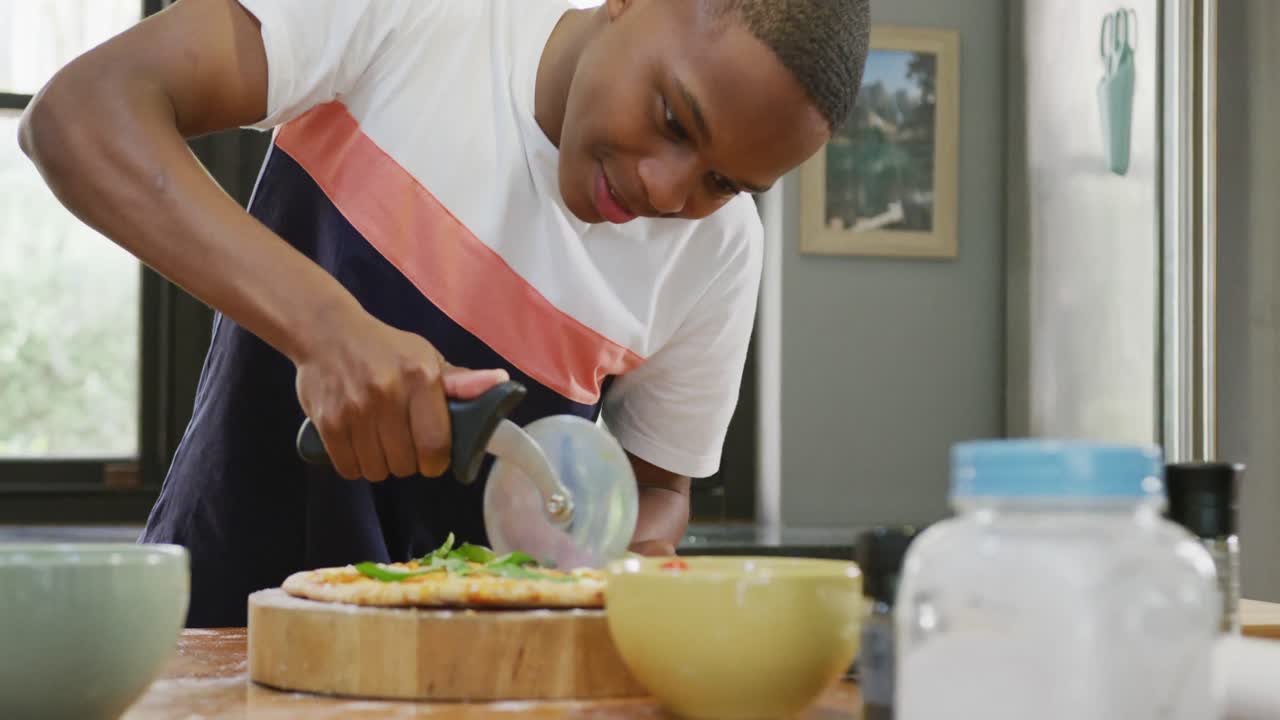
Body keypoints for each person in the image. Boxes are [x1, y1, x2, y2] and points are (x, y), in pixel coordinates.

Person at [18, 0, 870, 626]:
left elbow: (658, 492)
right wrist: (324, 328)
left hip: (481, 680)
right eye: (673, 119)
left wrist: (613, 546)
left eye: (722, 183)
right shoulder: (422, 15)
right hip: (219, 628)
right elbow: (80, 115)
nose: (667, 191)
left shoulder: (721, 254)